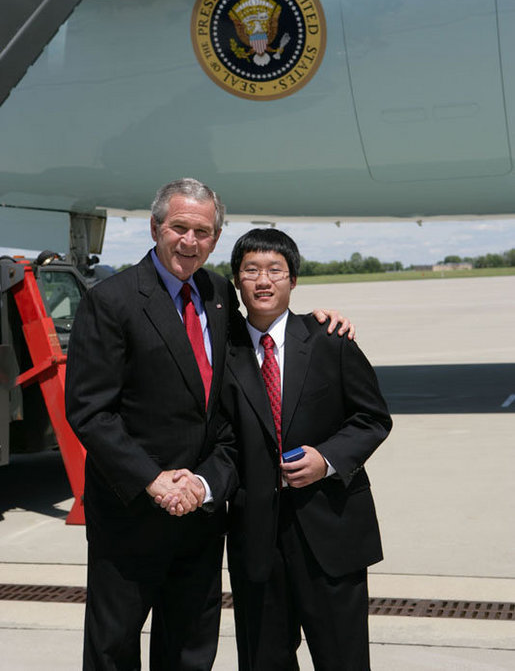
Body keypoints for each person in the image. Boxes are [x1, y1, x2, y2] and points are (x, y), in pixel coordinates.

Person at [65, 178, 352, 671]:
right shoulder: (111, 300)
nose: (189, 241)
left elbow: (250, 359)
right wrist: (154, 480)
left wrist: (314, 322)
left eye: (203, 231)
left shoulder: (219, 294)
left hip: (200, 513)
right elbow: (90, 411)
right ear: (156, 228)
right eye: (179, 227)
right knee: (113, 648)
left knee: (191, 648)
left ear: (215, 238)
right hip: (131, 512)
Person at [221, 228, 392, 671]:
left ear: (293, 280)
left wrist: (327, 459)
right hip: (256, 539)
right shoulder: (224, 351)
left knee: (343, 660)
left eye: (275, 270)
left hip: (331, 533)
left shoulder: (329, 339)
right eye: (251, 270)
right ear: (236, 281)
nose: (263, 281)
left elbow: (372, 418)